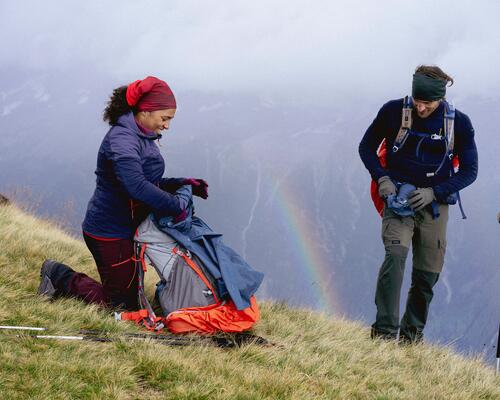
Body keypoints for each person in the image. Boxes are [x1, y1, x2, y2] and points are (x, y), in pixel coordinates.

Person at [38, 76, 209, 310]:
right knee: (119, 305)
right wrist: (174, 205)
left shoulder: (142, 136)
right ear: (146, 111)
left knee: (131, 297)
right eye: (165, 118)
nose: (167, 125)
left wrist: (180, 183)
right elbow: (135, 186)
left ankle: (98, 287)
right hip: (109, 231)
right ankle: (58, 275)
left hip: (126, 229)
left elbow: (148, 181)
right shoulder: (122, 140)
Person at [359, 65, 478, 343]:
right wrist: (383, 179)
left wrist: (434, 192)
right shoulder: (392, 112)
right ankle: (385, 334)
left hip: (434, 205)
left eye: (428, 103)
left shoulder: (458, 123)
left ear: (440, 98)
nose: (421, 107)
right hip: (398, 199)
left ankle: (412, 337)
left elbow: (470, 171)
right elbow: (366, 147)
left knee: (427, 274)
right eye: (417, 101)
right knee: (395, 259)